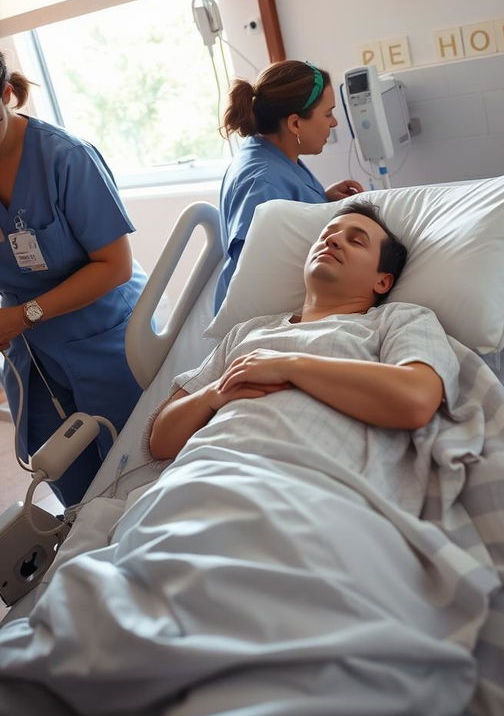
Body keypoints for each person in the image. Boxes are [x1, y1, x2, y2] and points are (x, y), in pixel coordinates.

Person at [151, 200, 458, 463]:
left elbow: (416, 400)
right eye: (327, 235)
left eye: (356, 241)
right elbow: (161, 442)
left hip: (306, 484)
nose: (333, 241)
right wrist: (213, 395)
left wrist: (288, 366)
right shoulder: (248, 331)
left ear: (383, 282)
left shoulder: (398, 320)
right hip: (202, 475)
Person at [0, 51, 147, 506]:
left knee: (133, 468)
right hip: (34, 350)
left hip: (104, 333)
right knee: (64, 474)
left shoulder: (65, 158)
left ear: (6, 94)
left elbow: (115, 264)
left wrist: (24, 315)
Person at [213, 59, 364, 312]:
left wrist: (322, 202)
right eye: (328, 113)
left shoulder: (273, 154)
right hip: (263, 327)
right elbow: (255, 280)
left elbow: (286, 221)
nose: (334, 123)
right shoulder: (261, 182)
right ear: (295, 123)